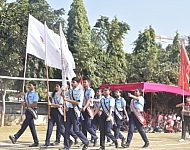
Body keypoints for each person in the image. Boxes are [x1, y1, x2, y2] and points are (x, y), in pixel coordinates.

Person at [41, 82, 73, 148]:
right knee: (49, 127)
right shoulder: (53, 94)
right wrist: (46, 90)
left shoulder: (61, 95)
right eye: (56, 86)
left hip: (58, 112)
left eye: (58, 86)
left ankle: (68, 140)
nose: (56, 87)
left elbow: (59, 105)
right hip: (52, 111)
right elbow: (44, 92)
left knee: (61, 129)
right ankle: (47, 143)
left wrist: (51, 104)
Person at [60, 77, 89, 150]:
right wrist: (63, 90)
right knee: (67, 129)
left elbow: (77, 102)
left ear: (78, 83)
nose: (72, 84)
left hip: (75, 111)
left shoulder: (80, 91)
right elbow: (62, 95)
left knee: (76, 130)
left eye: (74, 82)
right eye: (72, 82)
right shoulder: (70, 90)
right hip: (69, 110)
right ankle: (66, 146)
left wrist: (67, 100)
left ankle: (86, 141)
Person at [9, 81, 39, 147]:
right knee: (32, 128)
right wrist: (20, 94)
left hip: (32, 111)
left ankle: (16, 137)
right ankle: (36, 141)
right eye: (28, 85)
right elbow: (16, 96)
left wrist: (26, 104)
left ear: (34, 86)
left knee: (24, 124)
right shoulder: (27, 94)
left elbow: (34, 104)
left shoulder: (35, 94)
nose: (28, 86)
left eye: (30, 85)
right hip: (27, 111)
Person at [51, 81, 79, 146]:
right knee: (63, 127)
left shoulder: (70, 92)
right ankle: (66, 141)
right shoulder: (62, 93)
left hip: (68, 111)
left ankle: (74, 137)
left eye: (65, 86)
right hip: (63, 111)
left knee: (66, 127)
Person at [81, 77, 98, 146]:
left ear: (88, 83)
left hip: (88, 109)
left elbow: (89, 100)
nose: (84, 84)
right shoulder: (82, 90)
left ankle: (95, 136)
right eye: (83, 82)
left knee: (88, 125)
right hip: (82, 109)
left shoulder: (91, 91)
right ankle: (84, 141)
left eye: (85, 82)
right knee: (83, 127)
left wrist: (85, 107)